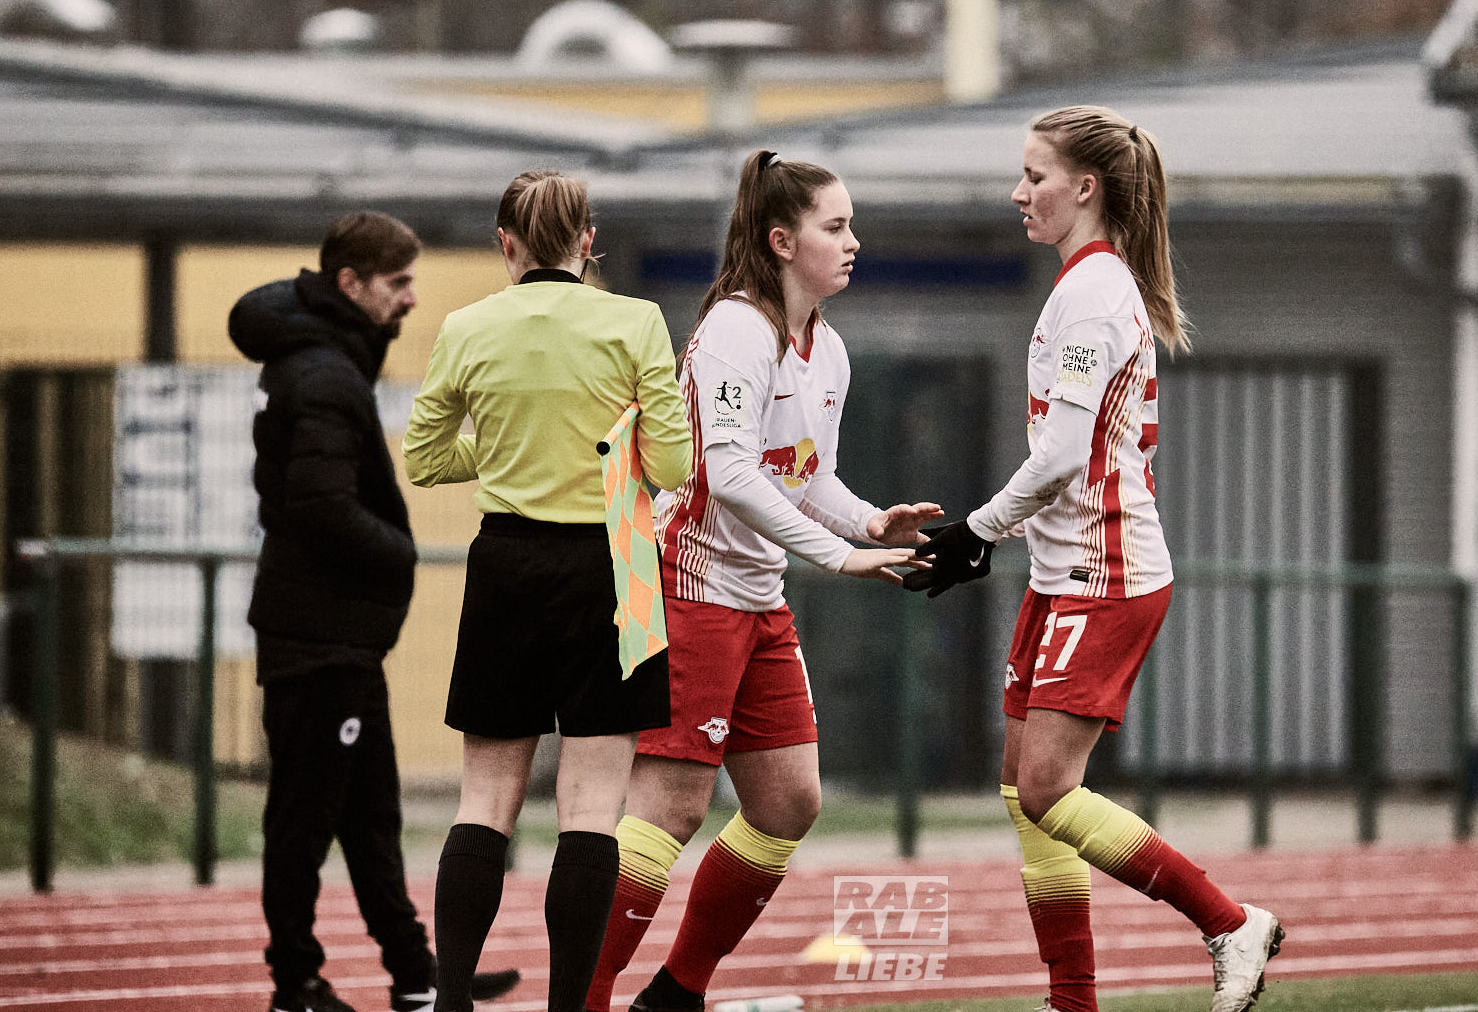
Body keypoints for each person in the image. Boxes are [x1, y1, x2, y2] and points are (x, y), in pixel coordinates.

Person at [903, 107, 1285, 1012]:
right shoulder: (1084, 285)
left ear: (1086, 188)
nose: (1017, 192)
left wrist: (976, 531)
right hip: (1064, 568)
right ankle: (1073, 1000)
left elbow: (1067, 452)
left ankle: (1229, 922)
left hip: (1105, 577)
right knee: (1020, 785)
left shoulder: (1095, 292)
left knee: (1046, 786)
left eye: (1034, 175)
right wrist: (1004, 541)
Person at [584, 150, 936, 1012]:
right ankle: (583, 999)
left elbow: (805, 478)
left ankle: (675, 993)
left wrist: (866, 523)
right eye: (836, 226)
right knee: (668, 810)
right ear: (782, 241)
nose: (854, 241)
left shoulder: (829, 350)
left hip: (757, 599)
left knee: (788, 801)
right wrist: (837, 556)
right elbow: (731, 475)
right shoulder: (737, 329)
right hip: (691, 588)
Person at [403, 171, 691, 1012]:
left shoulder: (467, 327)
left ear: (506, 244)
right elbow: (673, 467)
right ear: (588, 241)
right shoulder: (634, 321)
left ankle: (452, 999)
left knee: (484, 798)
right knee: (592, 808)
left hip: (506, 567)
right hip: (612, 569)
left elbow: (425, 458)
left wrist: (498, 454)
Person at [229, 212, 522, 1012]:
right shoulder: (323, 373)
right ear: (350, 284)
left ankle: (418, 975)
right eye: (397, 283)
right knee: (305, 819)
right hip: (317, 636)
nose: (411, 298)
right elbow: (318, 504)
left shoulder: (326, 364)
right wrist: (398, 550)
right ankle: (297, 984)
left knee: (370, 816)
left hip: (342, 637)